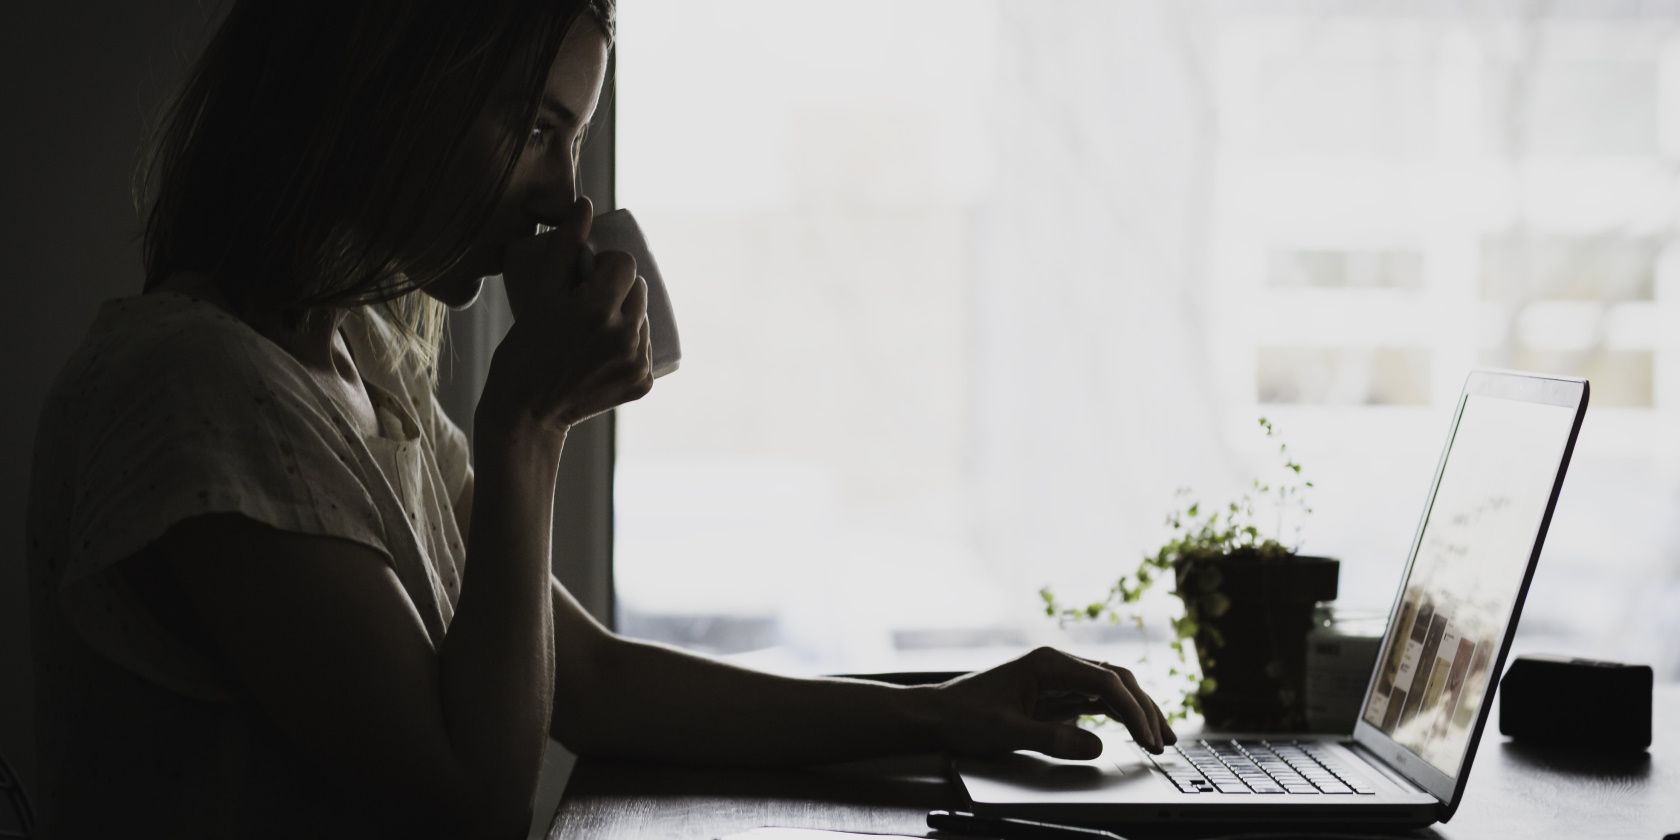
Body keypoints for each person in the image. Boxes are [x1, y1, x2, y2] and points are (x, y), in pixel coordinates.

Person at [24, 1, 1174, 836]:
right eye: (533, 124)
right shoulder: (196, 390)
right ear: (381, 97)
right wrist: (529, 424)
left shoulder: (359, 367)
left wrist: (948, 710)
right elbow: (471, 802)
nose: (566, 191)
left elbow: (590, 680)